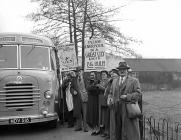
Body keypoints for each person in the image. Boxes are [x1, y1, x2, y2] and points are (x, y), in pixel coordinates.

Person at [109, 61, 142, 140]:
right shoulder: (114, 81)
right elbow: (110, 93)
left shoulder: (134, 81)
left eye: (124, 69)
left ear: (127, 70)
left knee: (128, 133)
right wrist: (109, 98)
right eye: (120, 69)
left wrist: (127, 96)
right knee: (116, 131)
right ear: (118, 70)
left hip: (127, 110)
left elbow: (138, 94)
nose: (122, 70)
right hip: (116, 109)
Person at [106, 69, 119, 140]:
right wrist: (109, 98)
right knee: (112, 122)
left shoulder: (120, 81)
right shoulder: (111, 82)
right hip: (112, 105)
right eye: (111, 74)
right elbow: (109, 92)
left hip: (119, 105)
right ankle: (112, 136)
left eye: (114, 73)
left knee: (117, 123)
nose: (112, 75)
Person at [97, 70, 110, 138]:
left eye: (104, 74)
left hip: (105, 100)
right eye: (102, 74)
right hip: (100, 99)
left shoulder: (108, 81)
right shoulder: (101, 81)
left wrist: (100, 87)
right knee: (101, 115)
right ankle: (101, 129)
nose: (103, 76)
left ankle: (106, 131)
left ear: (107, 75)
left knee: (105, 115)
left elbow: (107, 90)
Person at [76, 67, 89, 132]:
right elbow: (72, 88)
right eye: (78, 71)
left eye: (80, 71)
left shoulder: (86, 78)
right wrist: (73, 92)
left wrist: (85, 92)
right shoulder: (75, 79)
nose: (79, 72)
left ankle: (85, 127)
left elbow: (88, 87)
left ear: (82, 72)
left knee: (85, 113)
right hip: (77, 98)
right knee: (78, 113)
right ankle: (79, 127)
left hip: (84, 98)